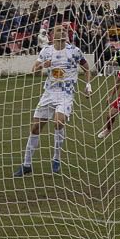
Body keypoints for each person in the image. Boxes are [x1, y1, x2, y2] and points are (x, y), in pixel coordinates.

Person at [15, 23, 92, 177]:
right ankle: (26, 164)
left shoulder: (74, 51)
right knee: (35, 128)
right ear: (52, 35)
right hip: (49, 93)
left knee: (58, 122)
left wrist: (88, 85)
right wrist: (44, 65)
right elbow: (34, 70)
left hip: (65, 93)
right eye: (59, 30)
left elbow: (87, 68)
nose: (62, 32)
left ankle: (56, 159)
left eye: (64, 30)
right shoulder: (46, 51)